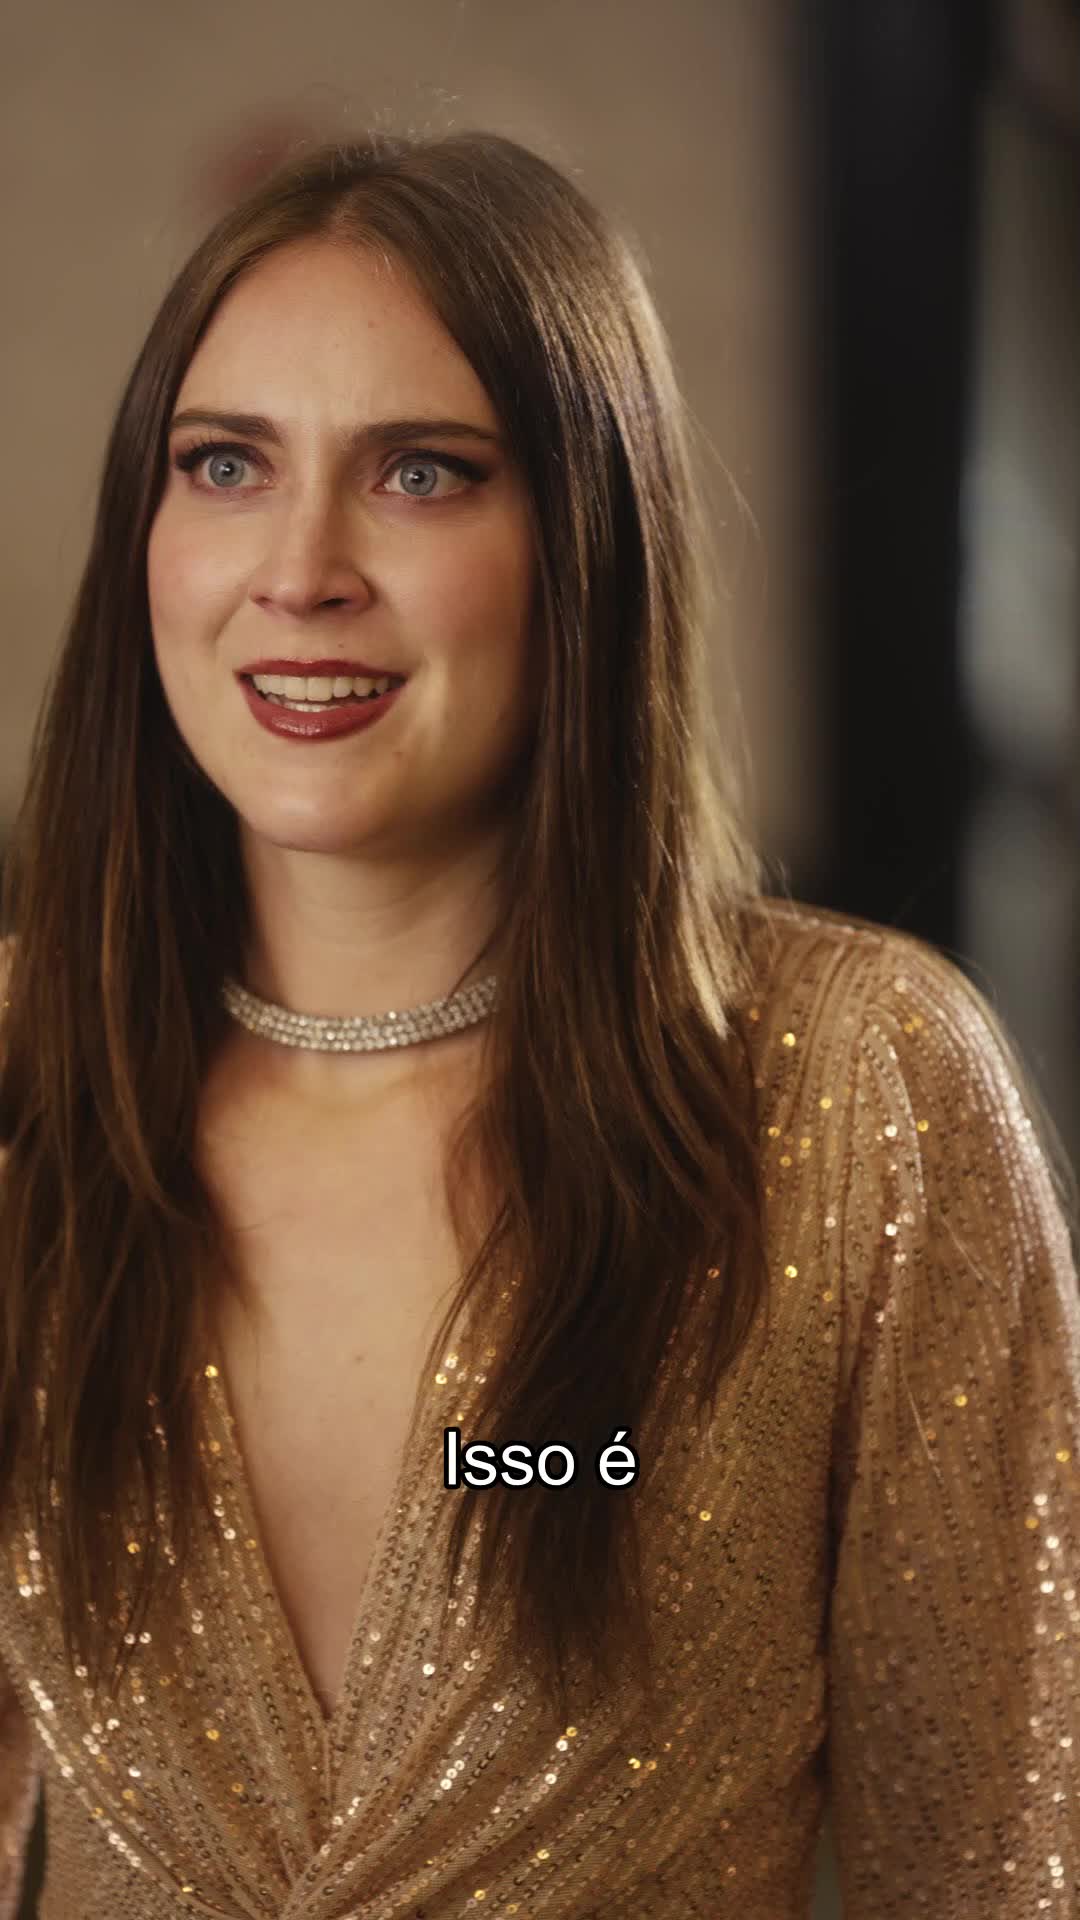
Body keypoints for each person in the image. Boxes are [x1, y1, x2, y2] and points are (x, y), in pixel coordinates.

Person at [0, 128, 1077, 1920]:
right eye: (225, 464)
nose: (301, 568)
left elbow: (984, 1866)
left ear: (590, 542)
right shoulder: (28, 1078)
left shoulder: (856, 1085)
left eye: (422, 473)